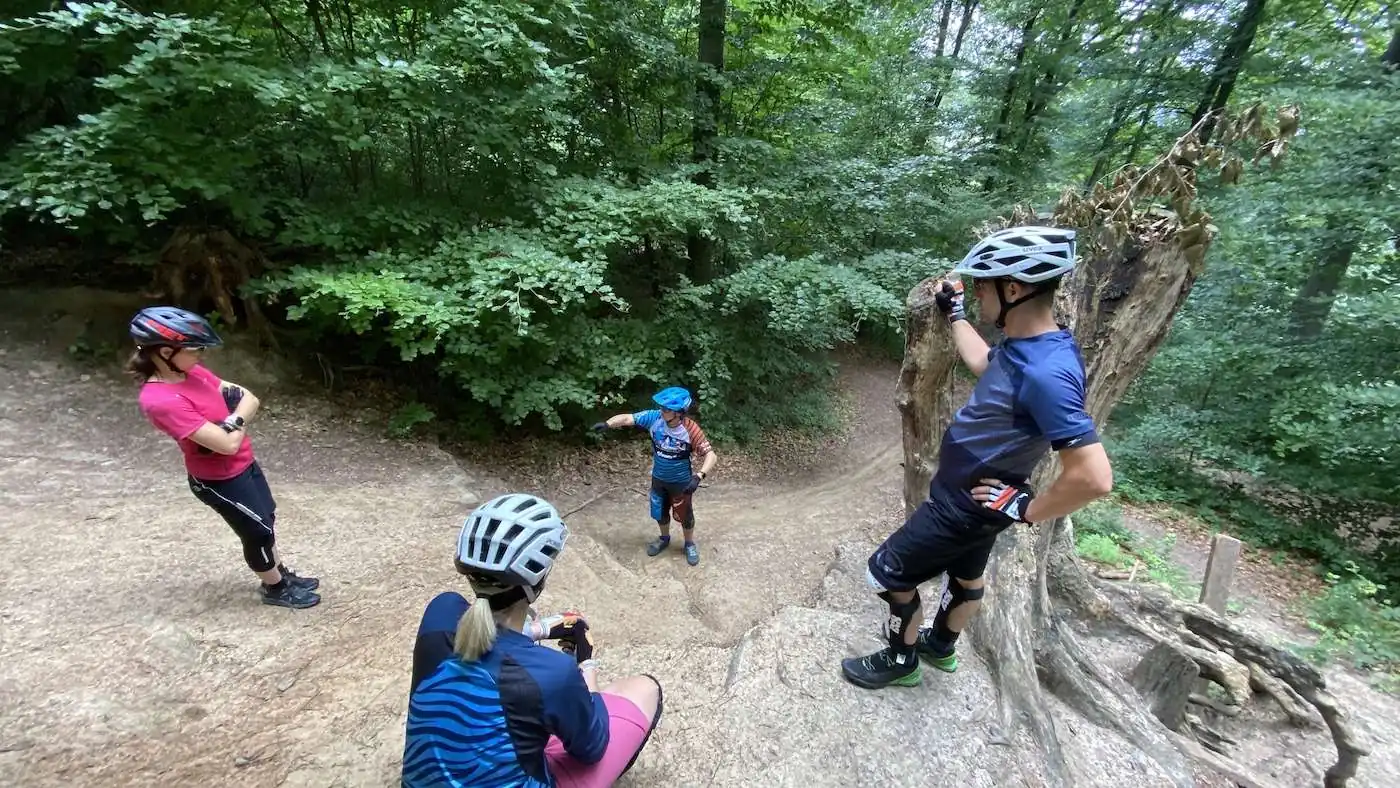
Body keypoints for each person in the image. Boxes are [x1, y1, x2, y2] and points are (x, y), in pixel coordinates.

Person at [840, 226, 1114, 689]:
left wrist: (1028, 509)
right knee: (966, 577)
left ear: (1014, 289)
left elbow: (1094, 477)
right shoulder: (1035, 347)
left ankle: (901, 660)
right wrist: (955, 314)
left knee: (885, 574)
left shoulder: (1047, 373)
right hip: (982, 502)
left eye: (984, 283)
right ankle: (940, 646)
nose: (978, 290)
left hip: (964, 507)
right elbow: (985, 364)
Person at [403, 493, 663, 788]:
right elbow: (592, 747)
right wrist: (586, 664)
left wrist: (540, 629)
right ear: (537, 582)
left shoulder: (439, 613)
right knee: (644, 689)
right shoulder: (553, 673)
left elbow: (487, 633)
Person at [128, 305, 320, 610]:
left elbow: (249, 399)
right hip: (219, 479)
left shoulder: (192, 373)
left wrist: (232, 422)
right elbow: (226, 444)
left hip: (244, 464)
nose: (201, 355)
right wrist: (236, 421)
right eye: (195, 349)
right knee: (256, 532)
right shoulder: (161, 400)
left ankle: (279, 572)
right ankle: (275, 588)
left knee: (266, 518)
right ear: (165, 352)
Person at [592, 387, 718, 567]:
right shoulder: (655, 418)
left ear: (678, 413)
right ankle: (664, 538)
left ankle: (689, 544)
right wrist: (608, 424)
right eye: (661, 407)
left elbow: (711, 455)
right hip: (659, 478)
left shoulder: (691, 429)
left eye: (666, 409)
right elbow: (628, 418)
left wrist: (699, 476)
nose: (661, 410)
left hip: (681, 482)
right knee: (659, 512)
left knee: (685, 515)